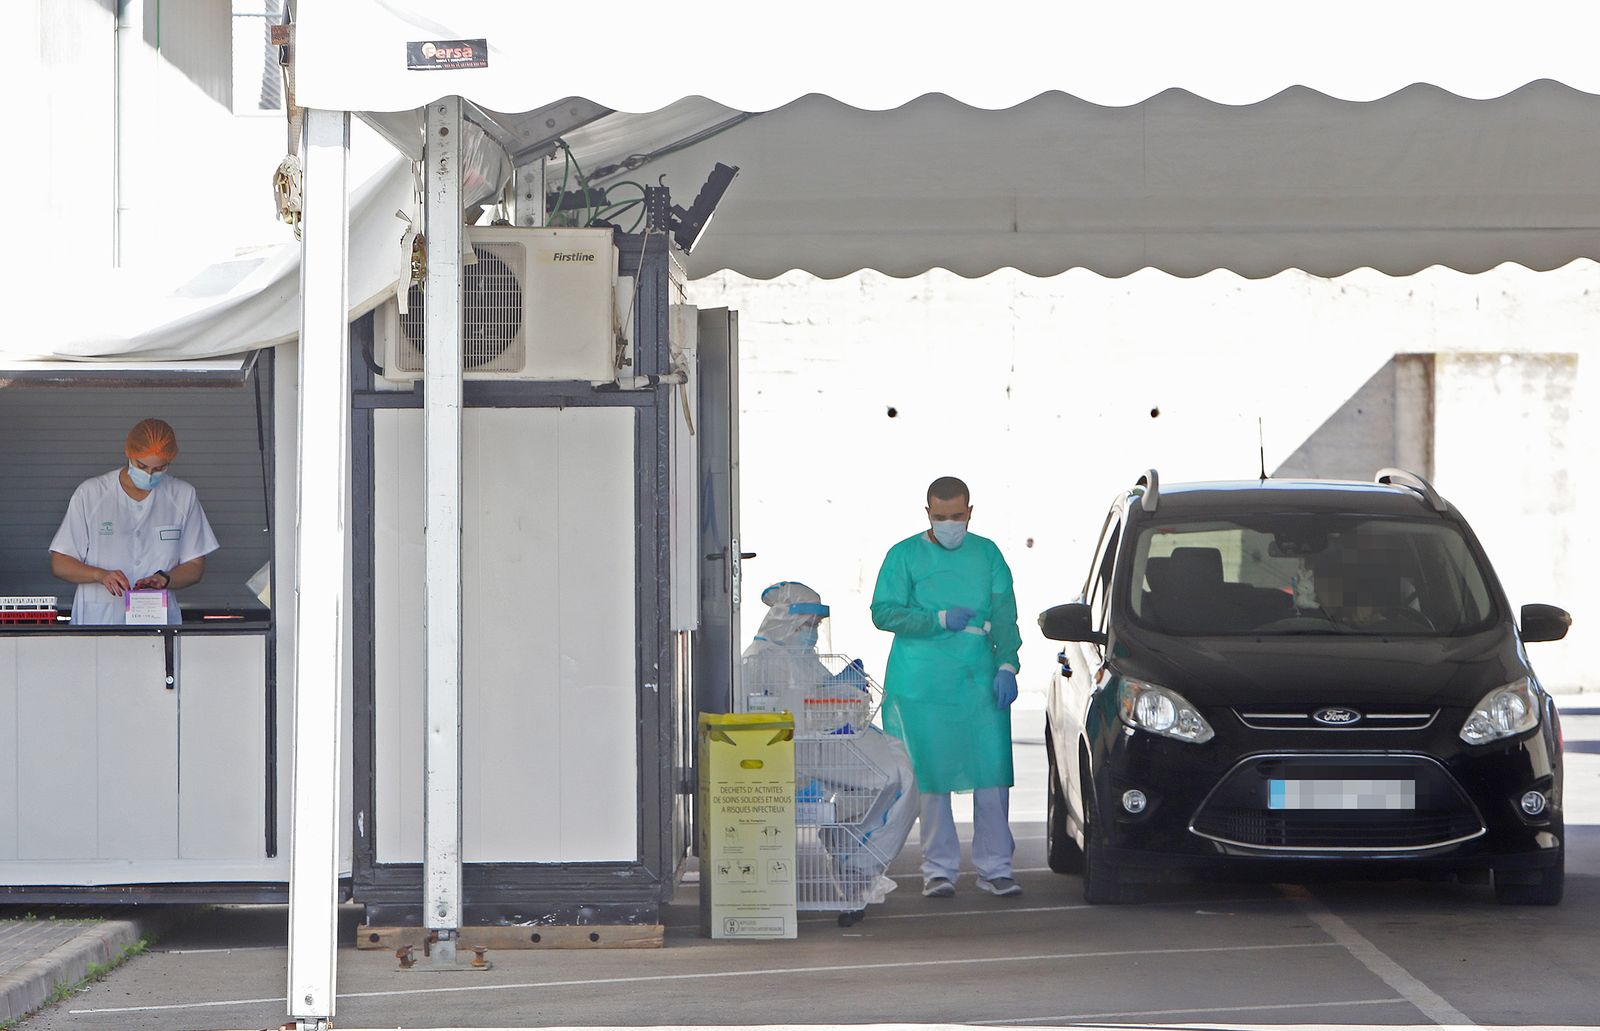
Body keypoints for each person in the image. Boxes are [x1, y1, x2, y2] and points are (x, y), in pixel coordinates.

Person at [871, 476, 1023, 898]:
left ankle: (996, 867)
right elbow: (883, 612)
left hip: (978, 678)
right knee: (932, 778)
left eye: (957, 516)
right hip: (922, 683)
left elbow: (1005, 612)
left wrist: (1007, 663)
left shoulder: (987, 554)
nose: (950, 524)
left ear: (970, 512)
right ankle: (938, 869)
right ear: (928, 514)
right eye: (941, 517)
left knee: (991, 773)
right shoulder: (903, 556)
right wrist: (935, 620)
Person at [49, 418, 219, 626]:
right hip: (98, 621)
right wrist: (99, 575)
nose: (149, 475)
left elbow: (194, 565)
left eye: (159, 469)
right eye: (142, 466)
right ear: (129, 453)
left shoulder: (183, 496)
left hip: (158, 621)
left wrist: (165, 579)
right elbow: (60, 563)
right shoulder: (91, 494)